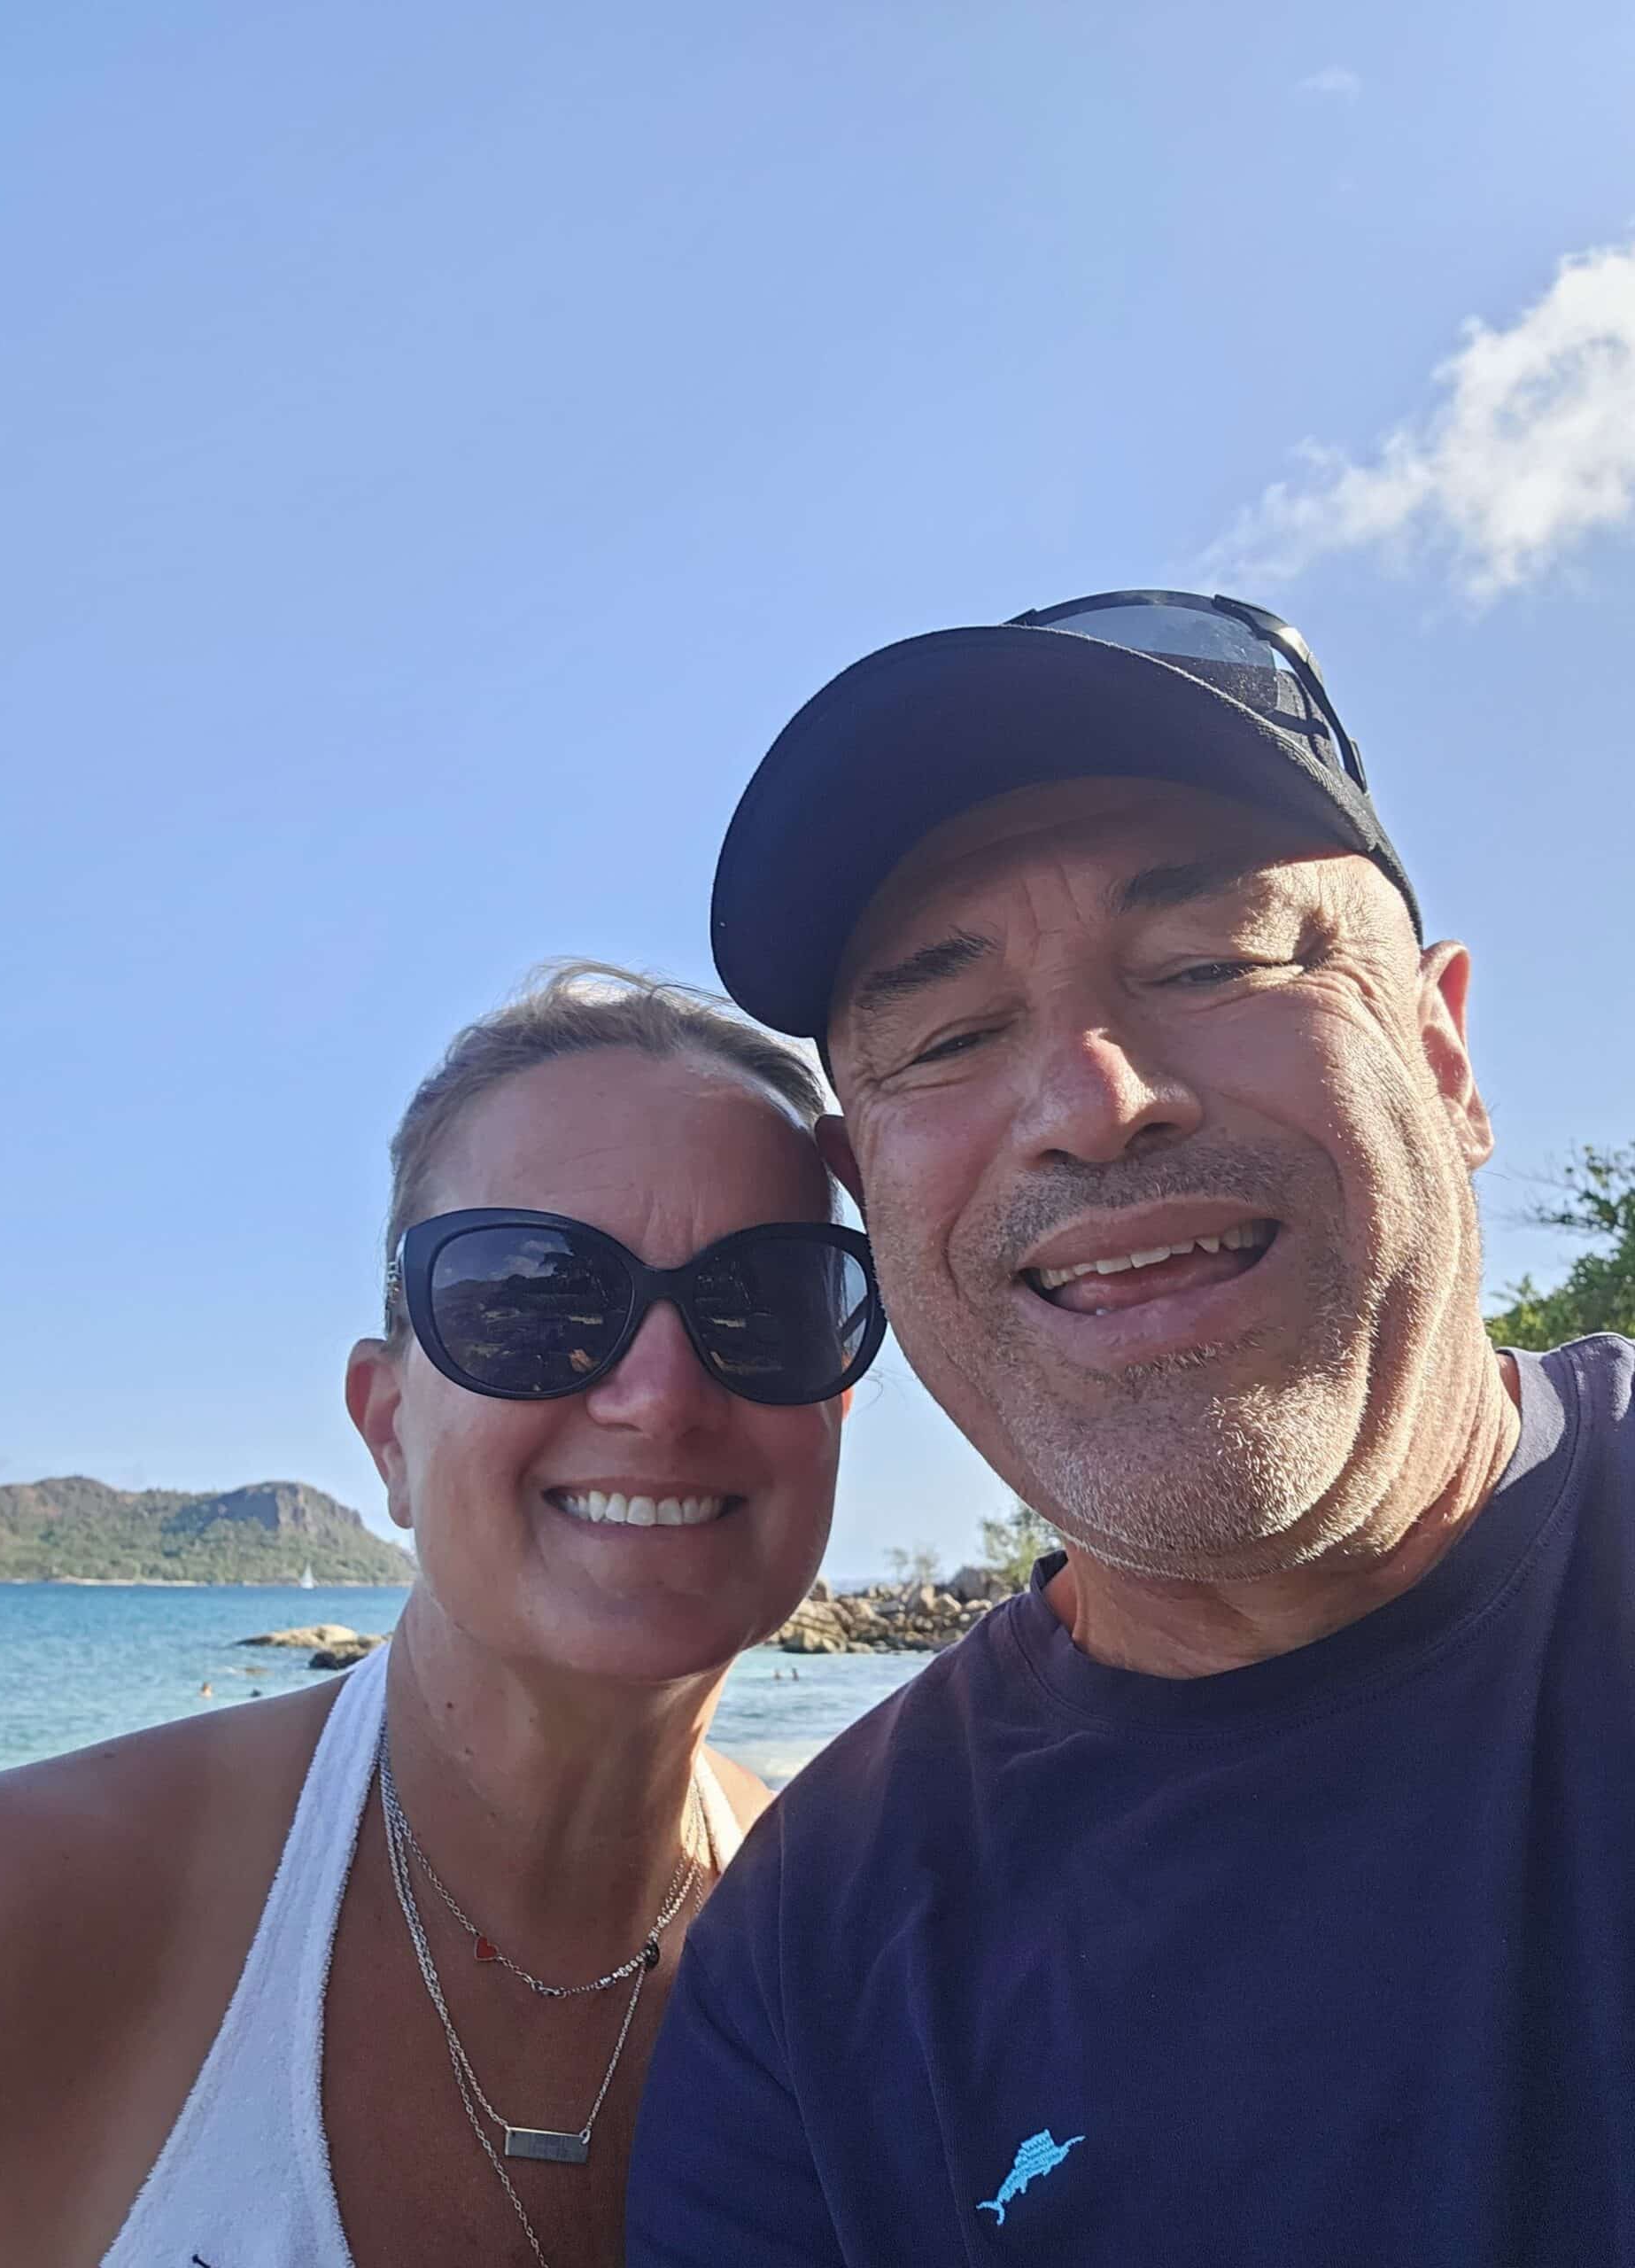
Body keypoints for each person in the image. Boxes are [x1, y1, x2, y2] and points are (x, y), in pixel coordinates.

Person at [628, 590, 1635, 2265]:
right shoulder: (810, 1968)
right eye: (950, 1037)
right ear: (867, 1193)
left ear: (1442, 1052)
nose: (1094, 1104)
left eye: (1210, 962)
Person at [0, 965, 883, 2268]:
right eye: (536, 1300)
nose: (660, 1396)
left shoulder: (842, 1945)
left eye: (761, 1303)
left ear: (834, 1413)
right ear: (388, 1430)